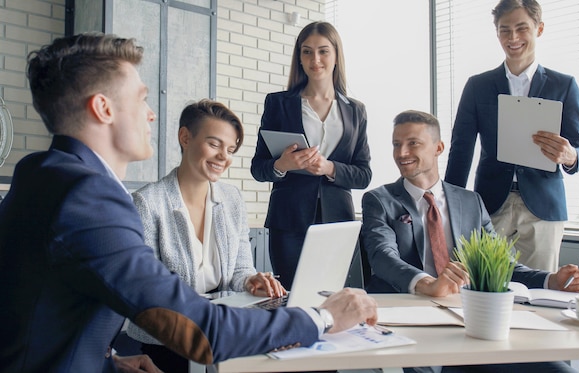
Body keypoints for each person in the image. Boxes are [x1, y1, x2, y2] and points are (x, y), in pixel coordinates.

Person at [0, 32, 378, 373]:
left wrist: (109, 361)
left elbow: (46, 311)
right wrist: (322, 318)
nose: (151, 114)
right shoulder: (91, 200)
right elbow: (202, 332)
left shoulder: (42, 172)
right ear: (103, 109)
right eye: (142, 99)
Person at [362, 110, 579, 372]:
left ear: (438, 148)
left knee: (559, 370)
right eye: (396, 144)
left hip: (471, 326)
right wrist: (428, 285)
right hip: (413, 330)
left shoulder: (470, 202)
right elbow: (382, 257)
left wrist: (553, 281)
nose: (402, 153)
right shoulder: (379, 200)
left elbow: (501, 265)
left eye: (413, 143)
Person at [127, 99, 287, 372]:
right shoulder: (147, 203)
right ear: (185, 137)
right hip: (167, 341)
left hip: (221, 331)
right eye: (214, 144)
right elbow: (147, 295)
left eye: (230, 149)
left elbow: (240, 270)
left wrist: (251, 281)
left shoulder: (232, 199)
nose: (224, 157)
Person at [444, 0, 579, 272]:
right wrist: (450, 207)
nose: (513, 38)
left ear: (539, 29)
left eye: (521, 28)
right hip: (489, 206)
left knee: (540, 293)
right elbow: (461, 150)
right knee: (485, 288)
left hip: (543, 208)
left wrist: (570, 156)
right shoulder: (478, 86)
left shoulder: (564, 85)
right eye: (504, 30)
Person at [250, 21, 371, 289]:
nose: (315, 60)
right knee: (293, 298)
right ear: (299, 58)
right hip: (289, 221)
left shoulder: (356, 111)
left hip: (337, 222)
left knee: (334, 299)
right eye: (307, 52)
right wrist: (282, 164)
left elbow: (364, 175)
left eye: (323, 51)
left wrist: (329, 168)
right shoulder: (278, 104)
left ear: (337, 56)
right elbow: (258, 168)